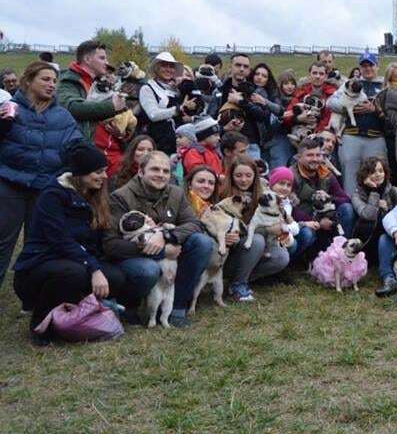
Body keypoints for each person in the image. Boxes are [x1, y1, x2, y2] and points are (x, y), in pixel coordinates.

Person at [12, 141, 142, 345]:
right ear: (80, 173)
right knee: (74, 273)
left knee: (115, 277)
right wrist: (94, 269)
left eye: (105, 171)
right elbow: (60, 240)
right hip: (40, 265)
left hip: (78, 260)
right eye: (98, 171)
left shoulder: (95, 195)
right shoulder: (52, 196)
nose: (105, 177)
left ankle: (77, 316)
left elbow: (98, 238)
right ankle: (42, 326)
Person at [103, 151, 214, 326]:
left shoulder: (176, 193)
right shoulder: (120, 197)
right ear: (140, 171)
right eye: (155, 169)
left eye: (166, 171)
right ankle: (129, 306)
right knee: (148, 270)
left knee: (203, 243)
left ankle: (177, 307)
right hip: (133, 257)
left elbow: (195, 224)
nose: (161, 175)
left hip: (168, 250)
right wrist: (161, 251)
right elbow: (111, 245)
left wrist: (165, 236)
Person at [0, 61, 81, 280]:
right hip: (9, 184)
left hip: (45, 188)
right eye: (45, 79)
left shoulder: (63, 117)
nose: (51, 85)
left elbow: (77, 148)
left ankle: (30, 296)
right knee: (2, 243)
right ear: (28, 81)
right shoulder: (9, 109)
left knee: (38, 246)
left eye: (54, 81)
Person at [218, 155, 290, 301]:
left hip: (258, 244)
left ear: (255, 176)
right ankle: (239, 284)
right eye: (238, 175)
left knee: (281, 257)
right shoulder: (224, 196)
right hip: (230, 249)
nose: (244, 180)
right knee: (257, 241)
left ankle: (239, 279)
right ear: (231, 176)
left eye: (248, 175)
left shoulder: (263, 194)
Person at [328, 53, 386, 195]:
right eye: (364, 65)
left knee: (376, 178)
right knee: (350, 178)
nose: (367, 68)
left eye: (371, 65)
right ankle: (350, 213)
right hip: (351, 137)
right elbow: (330, 102)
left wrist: (375, 109)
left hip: (376, 137)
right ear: (359, 67)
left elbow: (394, 109)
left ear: (377, 66)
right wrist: (348, 107)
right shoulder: (348, 83)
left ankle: (375, 212)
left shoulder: (385, 84)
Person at [290, 137, 354, 260]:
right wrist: (317, 222)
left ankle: (340, 253)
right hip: (302, 224)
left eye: (318, 155)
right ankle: (296, 260)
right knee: (308, 234)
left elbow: (345, 199)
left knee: (347, 209)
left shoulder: (326, 173)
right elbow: (291, 210)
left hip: (326, 220)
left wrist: (329, 197)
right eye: (309, 155)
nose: (315, 159)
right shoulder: (291, 176)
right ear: (299, 157)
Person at [56, 40, 126, 140]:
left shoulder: (98, 83)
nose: (107, 63)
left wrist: (122, 132)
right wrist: (112, 106)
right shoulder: (68, 82)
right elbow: (72, 107)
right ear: (87, 59)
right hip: (81, 148)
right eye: (102, 58)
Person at [139, 52, 196, 154]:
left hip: (177, 143)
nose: (168, 69)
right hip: (156, 142)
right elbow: (153, 114)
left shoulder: (176, 90)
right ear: (156, 68)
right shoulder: (147, 88)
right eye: (164, 65)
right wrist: (179, 109)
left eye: (171, 66)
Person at [219, 54, 271, 160]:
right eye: (238, 65)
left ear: (249, 70)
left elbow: (265, 116)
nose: (242, 69)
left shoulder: (257, 92)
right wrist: (224, 128)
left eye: (245, 66)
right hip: (224, 144)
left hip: (250, 145)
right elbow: (211, 117)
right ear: (230, 67)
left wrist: (240, 102)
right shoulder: (220, 91)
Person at [351, 156, 397, 261]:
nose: (378, 174)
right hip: (367, 237)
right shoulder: (357, 194)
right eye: (373, 172)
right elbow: (368, 216)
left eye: (380, 171)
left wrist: (387, 209)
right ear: (365, 175)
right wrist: (374, 191)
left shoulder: (393, 191)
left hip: (389, 233)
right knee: (369, 222)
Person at [266, 167, 309, 265]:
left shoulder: (287, 202)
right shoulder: (266, 199)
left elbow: (295, 229)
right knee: (291, 243)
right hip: (267, 237)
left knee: (300, 237)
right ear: (272, 184)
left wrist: (288, 227)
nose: (285, 188)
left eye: (288, 185)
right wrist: (288, 227)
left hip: (280, 235)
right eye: (281, 183)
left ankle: (284, 266)